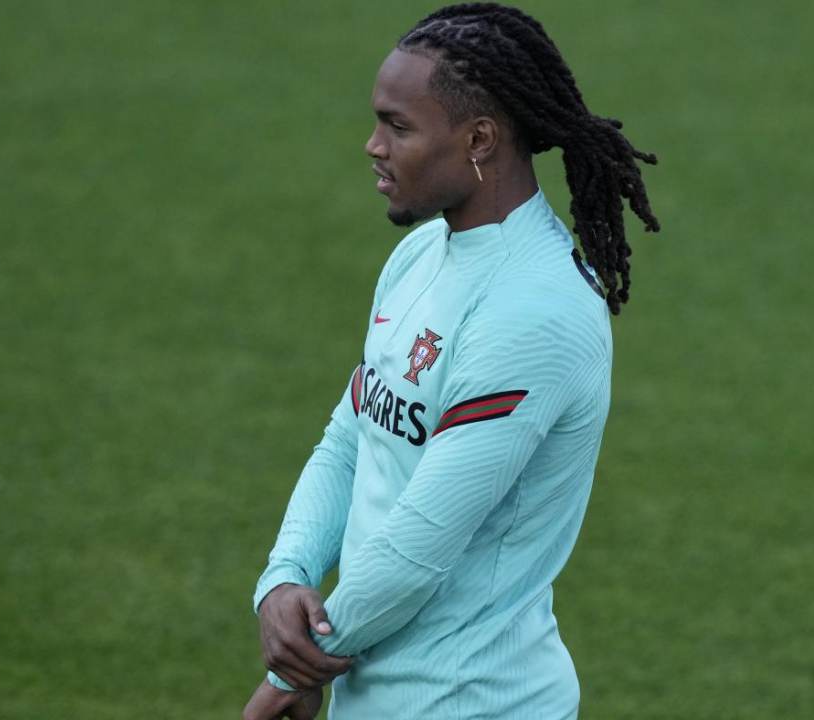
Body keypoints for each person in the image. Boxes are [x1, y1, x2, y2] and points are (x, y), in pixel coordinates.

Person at [242, 3, 659, 718]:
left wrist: (292, 672)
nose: (374, 146)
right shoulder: (419, 256)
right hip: (380, 696)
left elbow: (420, 544)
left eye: (398, 127)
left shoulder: (535, 310)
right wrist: (285, 577)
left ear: (480, 139)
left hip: (474, 701)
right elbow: (350, 439)